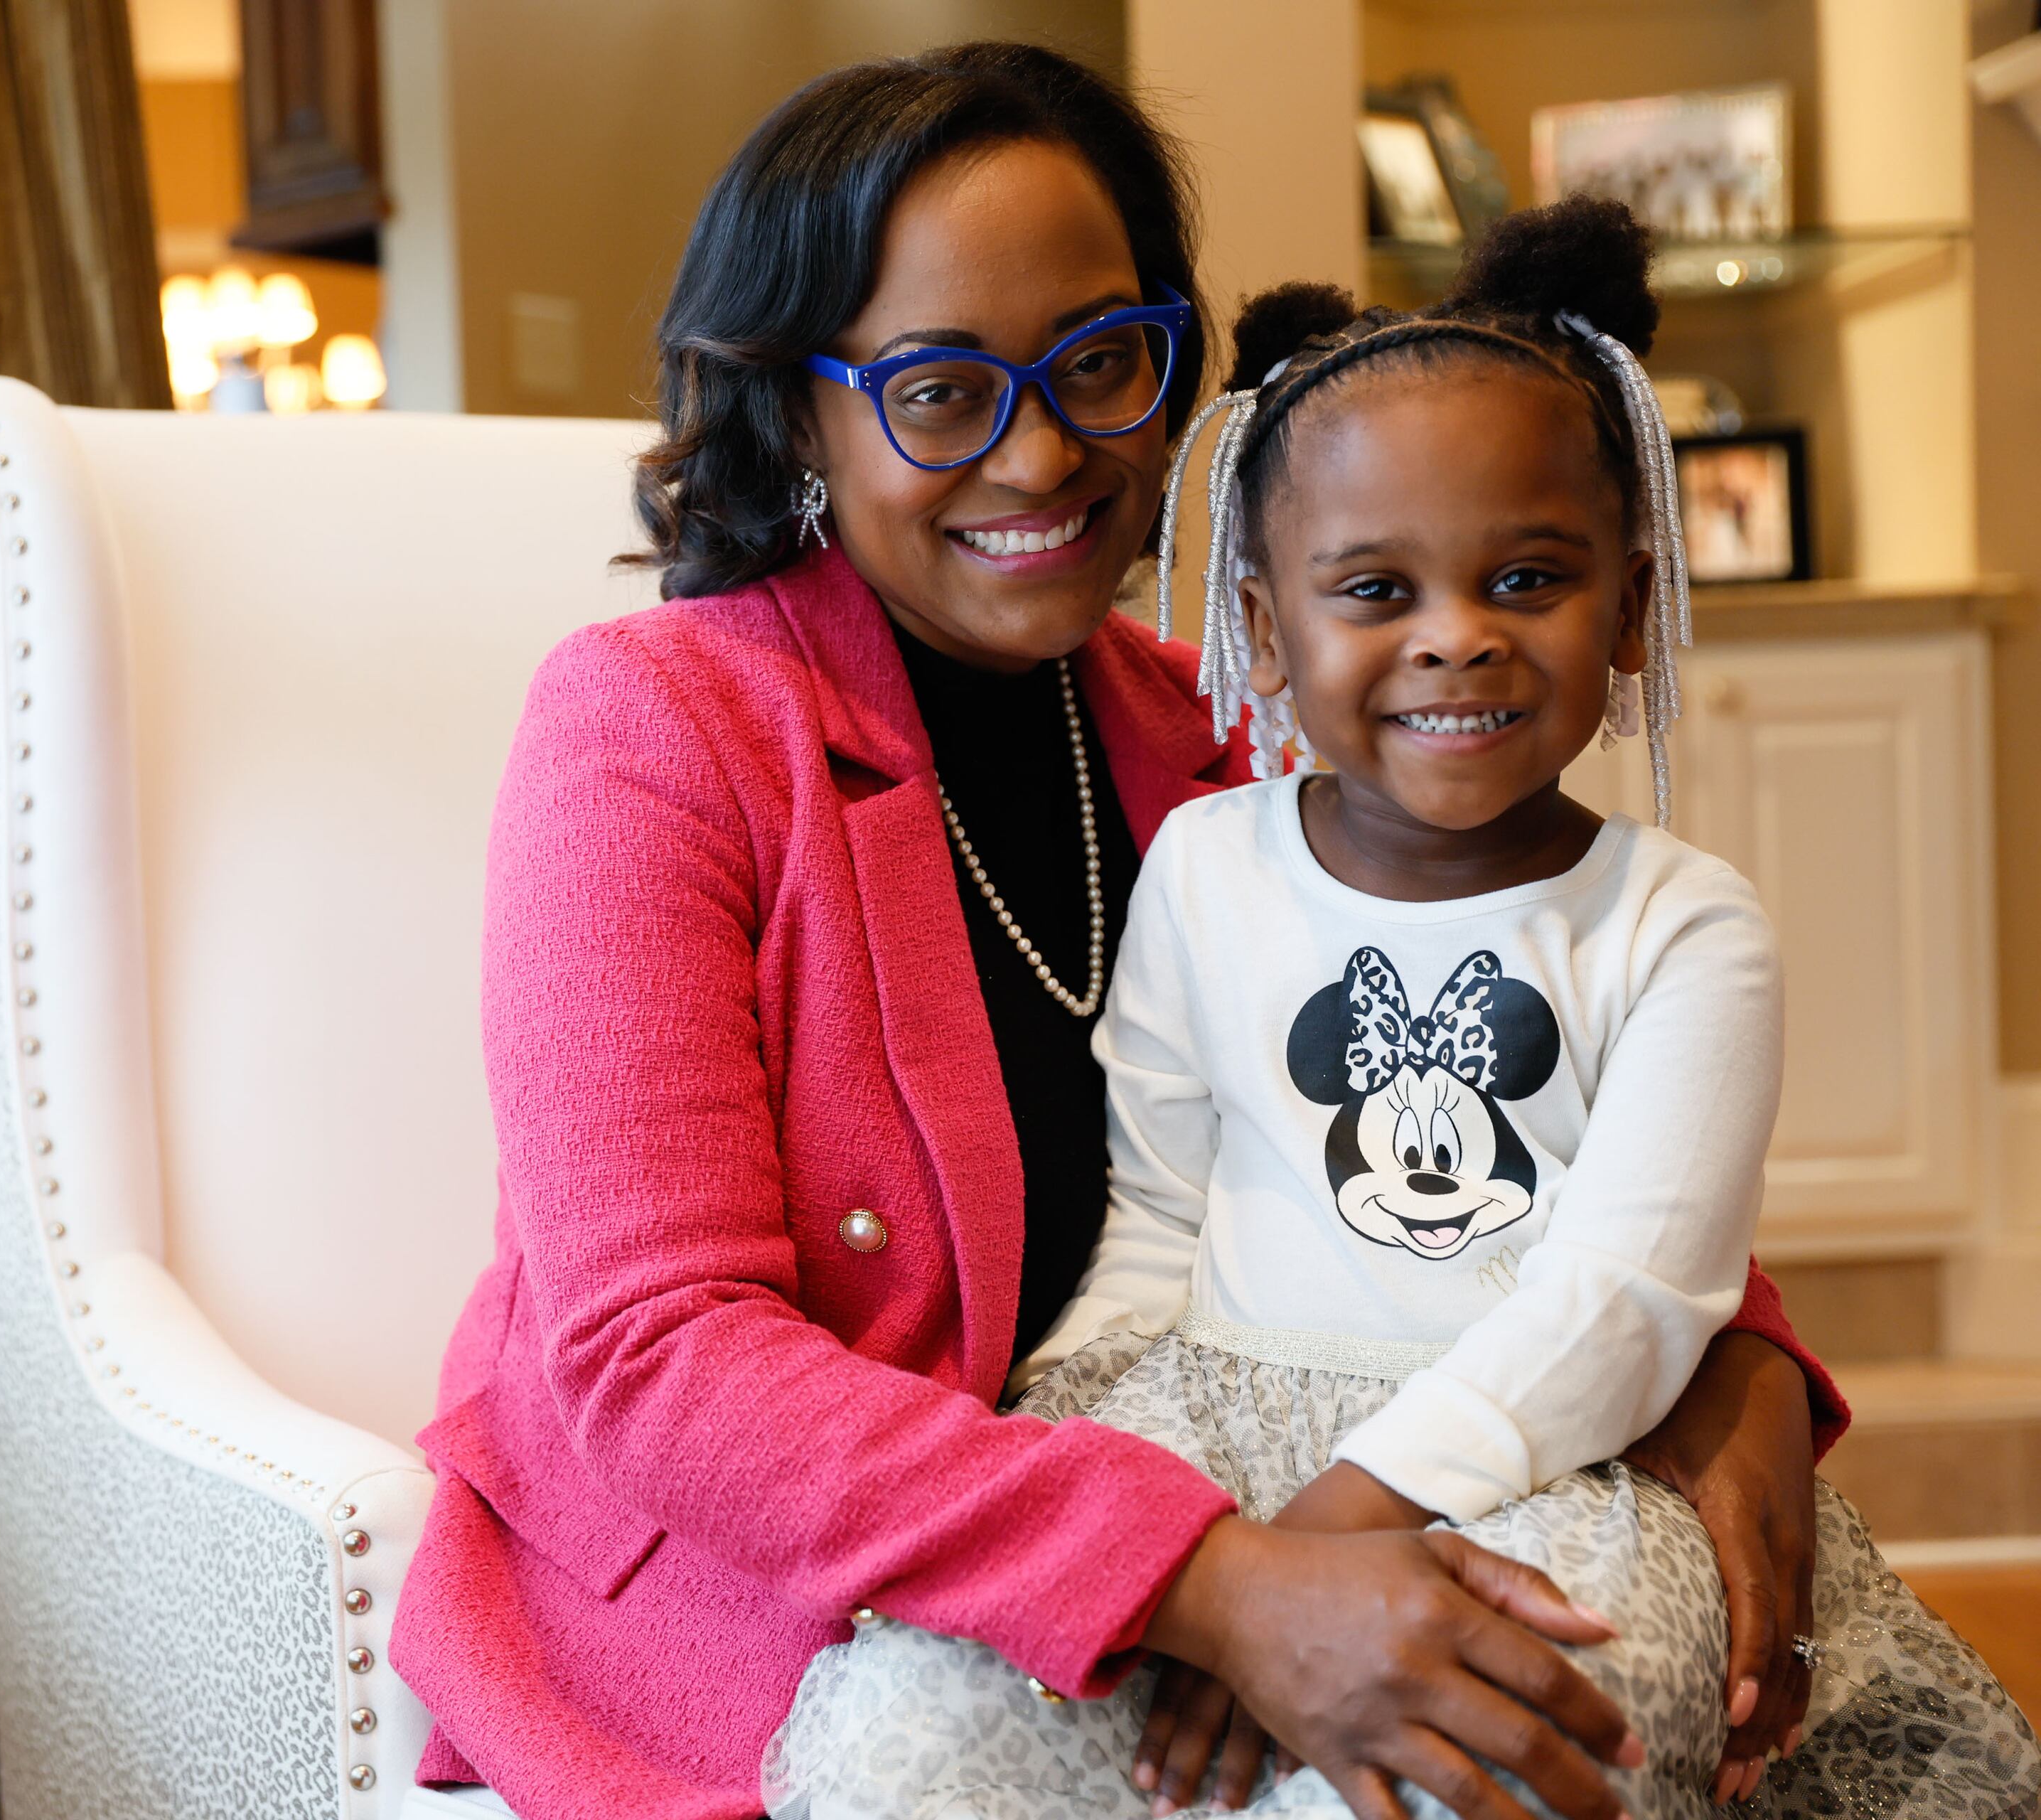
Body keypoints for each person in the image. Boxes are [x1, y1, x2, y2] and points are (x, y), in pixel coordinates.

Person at [390, 46, 1848, 1820]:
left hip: (1265, 1496)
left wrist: (1739, 1342)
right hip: (794, 1588)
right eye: (938, 390)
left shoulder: (1220, 736)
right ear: (797, 410)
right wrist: (1216, 1581)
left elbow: (1540, 1032)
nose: (1042, 449)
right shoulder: (655, 728)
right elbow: (659, 1350)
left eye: (1102, 362)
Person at [760, 200, 2040, 1820]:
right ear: (1265, 629)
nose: (1456, 632)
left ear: (1633, 605)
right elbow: (1157, 1216)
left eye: (1528, 574)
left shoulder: (1684, 926)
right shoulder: (1206, 867)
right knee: (908, 1736)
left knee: (1524, 1739)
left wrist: (1328, 1528)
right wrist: (1124, 1505)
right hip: (1209, 1411)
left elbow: (1624, 1296)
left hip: (1543, 1455)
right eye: (1373, 587)